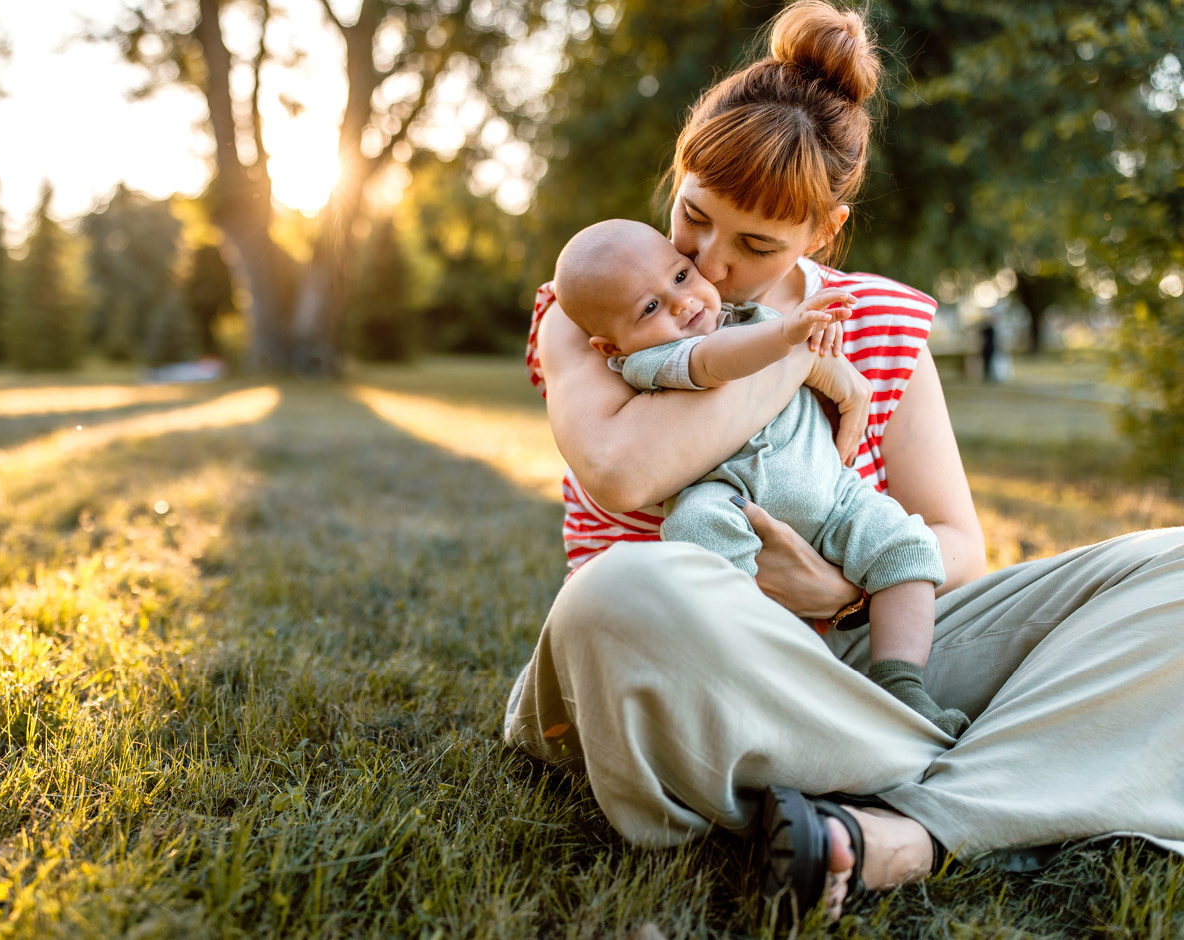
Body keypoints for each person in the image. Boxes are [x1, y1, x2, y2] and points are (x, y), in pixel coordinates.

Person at [504, 0, 1184, 925]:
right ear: (680, 171)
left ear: (822, 231)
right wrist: (788, 353)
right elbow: (621, 473)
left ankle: (907, 830)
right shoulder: (601, 297)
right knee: (616, 596)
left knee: (1172, 575)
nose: (708, 267)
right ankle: (1012, 769)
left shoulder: (885, 319)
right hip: (694, 657)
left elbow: (955, 543)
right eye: (694, 216)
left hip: (862, 649)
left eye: (756, 245)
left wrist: (839, 593)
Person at [552, 218, 966, 735]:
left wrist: (808, 342)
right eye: (650, 308)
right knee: (699, 535)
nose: (681, 303)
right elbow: (714, 362)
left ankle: (902, 683)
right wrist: (791, 340)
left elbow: (963, 541)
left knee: (905, 545)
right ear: (611, 348)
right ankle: (749, 675)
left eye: (681, 277)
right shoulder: (650, 360)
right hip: (730, 496)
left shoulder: (751, 315)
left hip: (834, 496)